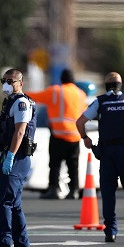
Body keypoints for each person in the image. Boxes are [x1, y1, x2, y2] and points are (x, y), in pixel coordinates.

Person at [76, 72, 124, 243]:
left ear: (106, 86)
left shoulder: (100, 102)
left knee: (108, 193)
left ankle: (110, 231)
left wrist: (85, 138)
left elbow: (79, 122)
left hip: (107, 153)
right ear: (120, 85)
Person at [0, 69, 36, 247]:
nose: (6, 84)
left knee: (3, 202)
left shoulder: (21, 103)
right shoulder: (9, 102)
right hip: (12, 156)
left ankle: (4, 242)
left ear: (20, 83)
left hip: (17, 158)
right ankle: (22, 245)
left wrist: (11, 156)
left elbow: (20, 132)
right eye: (4, 81)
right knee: (14, 203)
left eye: (11, 81)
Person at [27, 68, 87, 199]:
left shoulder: (55, 91)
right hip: (75, 136)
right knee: (73, 165)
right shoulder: (81, 94)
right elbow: (85, 112)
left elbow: (35, 97)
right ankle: (74, 191)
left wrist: (19, 93)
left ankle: (53, 189)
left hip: (58, 134)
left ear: (61, 79)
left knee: (55, 164)